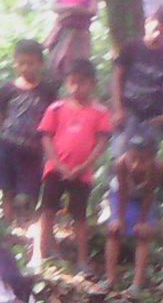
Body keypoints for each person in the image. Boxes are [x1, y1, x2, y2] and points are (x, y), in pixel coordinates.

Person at [36, 59, 111, 273]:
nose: (77, 87)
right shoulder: (56, 108)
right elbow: (46, 137)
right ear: (67, 83)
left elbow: (101, 142)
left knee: (79, 216)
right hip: (55, 169)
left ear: (93, 84)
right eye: (73, 82)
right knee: (48, 211)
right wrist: (57, 164)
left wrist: (85, 165)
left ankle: (82, 260)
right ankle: (39, 255)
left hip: (83, 173)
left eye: (83, 83)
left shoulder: (99, 111)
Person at [0, 39, 57, 225]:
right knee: (7, 188)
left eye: (32, 63)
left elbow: (52, 119)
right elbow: (1, 115)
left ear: (40, 64)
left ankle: (27, 227)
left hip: (33, 149)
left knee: (29, 190)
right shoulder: (8, 90)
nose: (27, 67)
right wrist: (5, 133)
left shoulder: (47, 91)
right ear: (15, 63)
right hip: (7, 145)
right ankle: (7, 226)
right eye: (22, 63)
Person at [101, 124, 163, 297]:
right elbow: (122, 192)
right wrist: (119, 219)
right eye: (133, 158)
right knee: (113, 232)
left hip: (143, 198)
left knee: (144, 235)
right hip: (121, 195)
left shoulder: (157, 168)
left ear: (151, 158)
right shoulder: (121, 164)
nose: (136, 165)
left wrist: (143, 221)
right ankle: (110, 278)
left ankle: (137, 285)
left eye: (142, 160)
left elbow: (149, 194)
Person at [111, 6, 163, 156]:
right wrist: (118, 109)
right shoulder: (132, 47)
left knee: (147, 158)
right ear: (147, 22)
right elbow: (117, 77)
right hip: (128, 111)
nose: (157, 35)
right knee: (121, 155)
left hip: (153, 116)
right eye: (156, 28)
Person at [46, 0, 99, 80]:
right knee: (57, 63)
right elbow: (54, 7)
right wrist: (71, 7)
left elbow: (93, 11)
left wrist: (77, 10)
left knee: (77, 66)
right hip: (63, 32)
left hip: (80, 35)